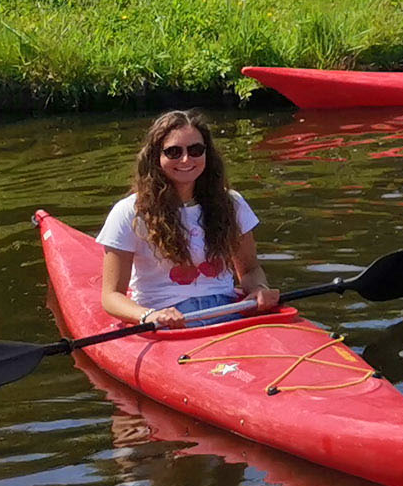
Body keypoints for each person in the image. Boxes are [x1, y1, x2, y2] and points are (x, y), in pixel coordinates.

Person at [96, 110, 279, 330]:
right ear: (155, 157)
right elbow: (111, 296)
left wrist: (259, 288)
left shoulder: (232, 203)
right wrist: (148, 315)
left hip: (227, 312)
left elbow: (249, 270)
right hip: (164, 319)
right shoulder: (129, 212)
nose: (185, 159)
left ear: (207, 154)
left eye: (195, 150)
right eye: (173, 152)